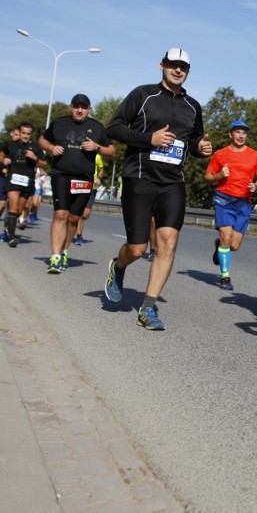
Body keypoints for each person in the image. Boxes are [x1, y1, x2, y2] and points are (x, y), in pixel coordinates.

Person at [103, 48, 213, 330]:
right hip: (140, 178)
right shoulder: (143, 94)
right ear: (162, 65)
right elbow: (113, 128)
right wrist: (148, 138)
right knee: (138, 248)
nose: (178, 70)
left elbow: (194, 142)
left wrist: (201, 149)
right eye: (173, 65)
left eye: (183, 67)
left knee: (168, 243)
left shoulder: (193, 106)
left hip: (173, 182)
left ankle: (148, 308)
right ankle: (119, 266)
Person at [40, 93, 115, 273]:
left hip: (83, 179)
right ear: (70, 107)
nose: (79, 110)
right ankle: (55, 257)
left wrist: (97, 147)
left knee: (74, 219)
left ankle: (65, 250)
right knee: (60, 215)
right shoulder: (59, 123)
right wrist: (51, 148)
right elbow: (42, 139)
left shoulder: (97, 127)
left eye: (83, 107)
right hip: (61, 175)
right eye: (76, 106)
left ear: (89, 109)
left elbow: (112, 150)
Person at [204, 120, 257, 290]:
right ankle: (225, 278)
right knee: (226, 237)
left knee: (234, 245)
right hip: (223, 199)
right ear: (230, 134)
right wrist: (218, 175)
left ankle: (219, 248)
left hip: (244, 201)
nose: (241, 135)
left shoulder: (255, 155)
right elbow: (206, 177)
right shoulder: (220, 154)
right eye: (237, 132)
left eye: (244, 132)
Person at [0, 122, 47, 247]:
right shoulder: (10, 144)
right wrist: (3, 160)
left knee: (19, 210)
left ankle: (9, 226)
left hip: (28, 181)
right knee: (13, 207)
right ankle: (11, 237)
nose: (26, 136)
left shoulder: (35, 147)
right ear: (19, 132)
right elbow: (1, 155)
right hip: (13, 179)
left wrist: (34, 158)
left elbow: (44, 164)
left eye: (28, 134)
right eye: (23, 133)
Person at [72, 151, 105, 245]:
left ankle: (74, 223)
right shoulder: (80, 155)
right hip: (81, 186)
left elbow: (101, 169)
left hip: (92, 188)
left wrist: (99, 178)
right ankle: (79, 236)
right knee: (80, 213)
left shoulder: (98, 157)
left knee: (85, 215)